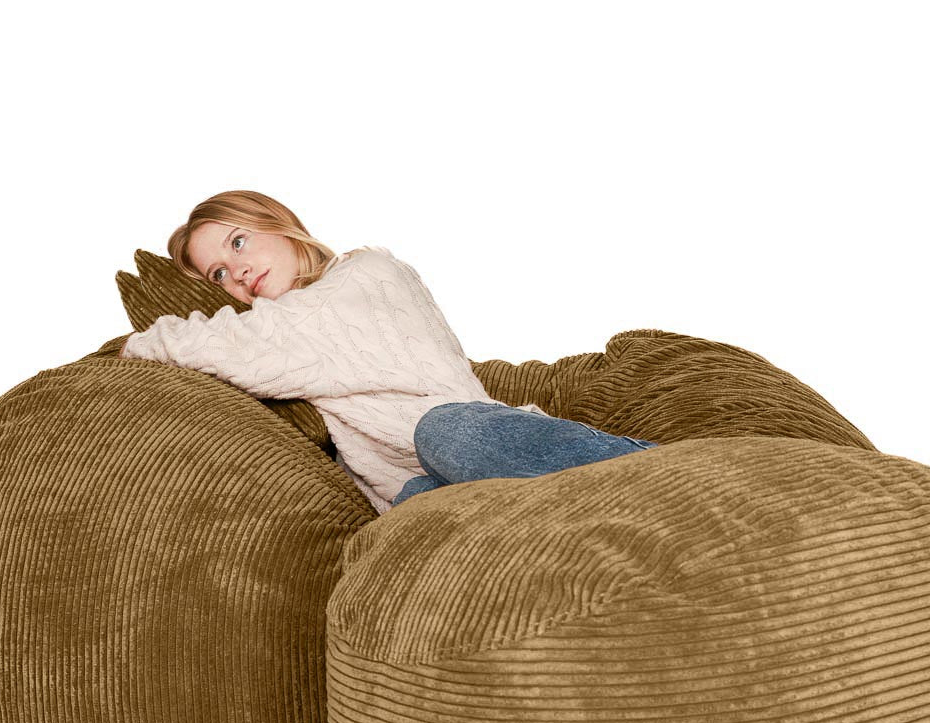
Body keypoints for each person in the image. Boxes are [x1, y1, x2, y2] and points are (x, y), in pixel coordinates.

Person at [120, 190, 660, 514]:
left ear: (279, 226)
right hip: (418, 485)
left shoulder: (367, 273)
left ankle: (664, 471)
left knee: (446, 433)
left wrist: (142, 341)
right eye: (218, 274)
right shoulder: (277, 332)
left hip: (477, 442)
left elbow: (250, 344)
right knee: (416, 509)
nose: (235, 270)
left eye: (238, 242)